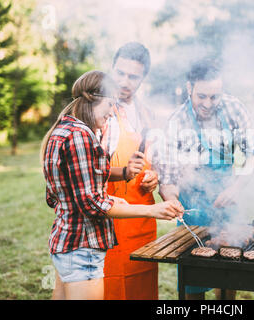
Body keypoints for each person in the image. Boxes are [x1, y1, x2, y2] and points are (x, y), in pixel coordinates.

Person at [41, 70, 184, 300]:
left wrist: (125, 173)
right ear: (94, 100)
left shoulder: (64, 130)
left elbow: (62, 193)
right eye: (110, 104)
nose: (112, 112)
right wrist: (151, 210)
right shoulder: (81, 136)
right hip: (83, 246)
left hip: (67, 244)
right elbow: (92, 204)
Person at [158, 59, 254, 300]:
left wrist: (236, 188)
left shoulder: (233, 108)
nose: (208, 104)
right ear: (189, 89)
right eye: (202, 96)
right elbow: (167, 177)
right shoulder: (177, 121)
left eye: (214, 97)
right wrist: (172, 200)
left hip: (228, 200)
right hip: (192, 209)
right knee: (192, 281)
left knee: (228, 273)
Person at [100, 42, 161, 300]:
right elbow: (84, 170)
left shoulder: (148, 114)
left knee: (142, 290)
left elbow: (153, 161)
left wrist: (153, 178)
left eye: (133, 76)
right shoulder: (98, 111)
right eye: (120, 73)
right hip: (107, 222)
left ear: (143, 78)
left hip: (143, 221)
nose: (125, 81)